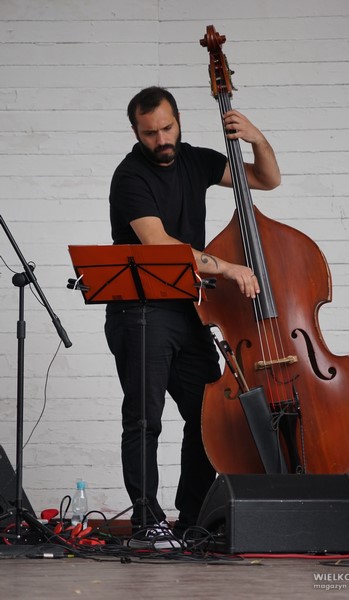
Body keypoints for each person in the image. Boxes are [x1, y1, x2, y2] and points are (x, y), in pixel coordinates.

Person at [104, 86, 281, 542]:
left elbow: (267, 180)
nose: (161, 140)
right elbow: (159, 245)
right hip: (140, 311)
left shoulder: (196, 161)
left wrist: (257, 139)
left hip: (188, 310)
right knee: (144, 420)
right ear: (135, 132)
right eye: (150, 133)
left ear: (179, 120)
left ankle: (191, 519)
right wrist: (227, 267)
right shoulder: (129, 177)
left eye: (167, 128)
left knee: (208, 417)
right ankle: (147, 523)